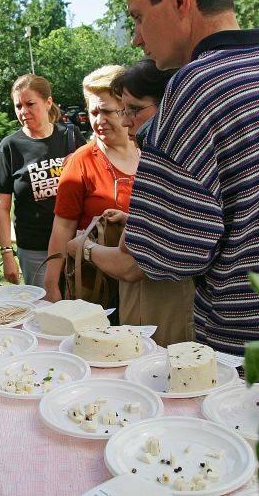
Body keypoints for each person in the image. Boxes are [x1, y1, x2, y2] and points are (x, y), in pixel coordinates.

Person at [115, 0, 259, 355]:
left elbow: (167, 255)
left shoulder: (196, 86)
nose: (137, 39)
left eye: (139, 18)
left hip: (249, 356)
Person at [64, 60, 194, 347]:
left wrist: (84, 248)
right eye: (123, 110)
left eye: (133, 110)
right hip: (151, 305)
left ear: (168, 106)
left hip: (162, 310)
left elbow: (129, 265)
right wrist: (130, 219)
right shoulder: (170, 154)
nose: (125, 120)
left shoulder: (162, 161)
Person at [43, 65, 135, 304]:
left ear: (126, 107)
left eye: (107, 112)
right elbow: (62, 229)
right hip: (96, 286)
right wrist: (51, 284)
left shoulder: (149, 152)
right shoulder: (80, 162)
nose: (99, 121)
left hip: (141, 283)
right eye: (93, 113)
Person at [0, 74, 84, 287]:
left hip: (75, 244)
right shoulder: (10, 147)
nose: (23, 112)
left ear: (48, 102)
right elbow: (2, 207)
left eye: (30, 104)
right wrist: (7, 254)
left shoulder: (70, 137)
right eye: (18, 106)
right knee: (45, 312)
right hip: (35, 250)